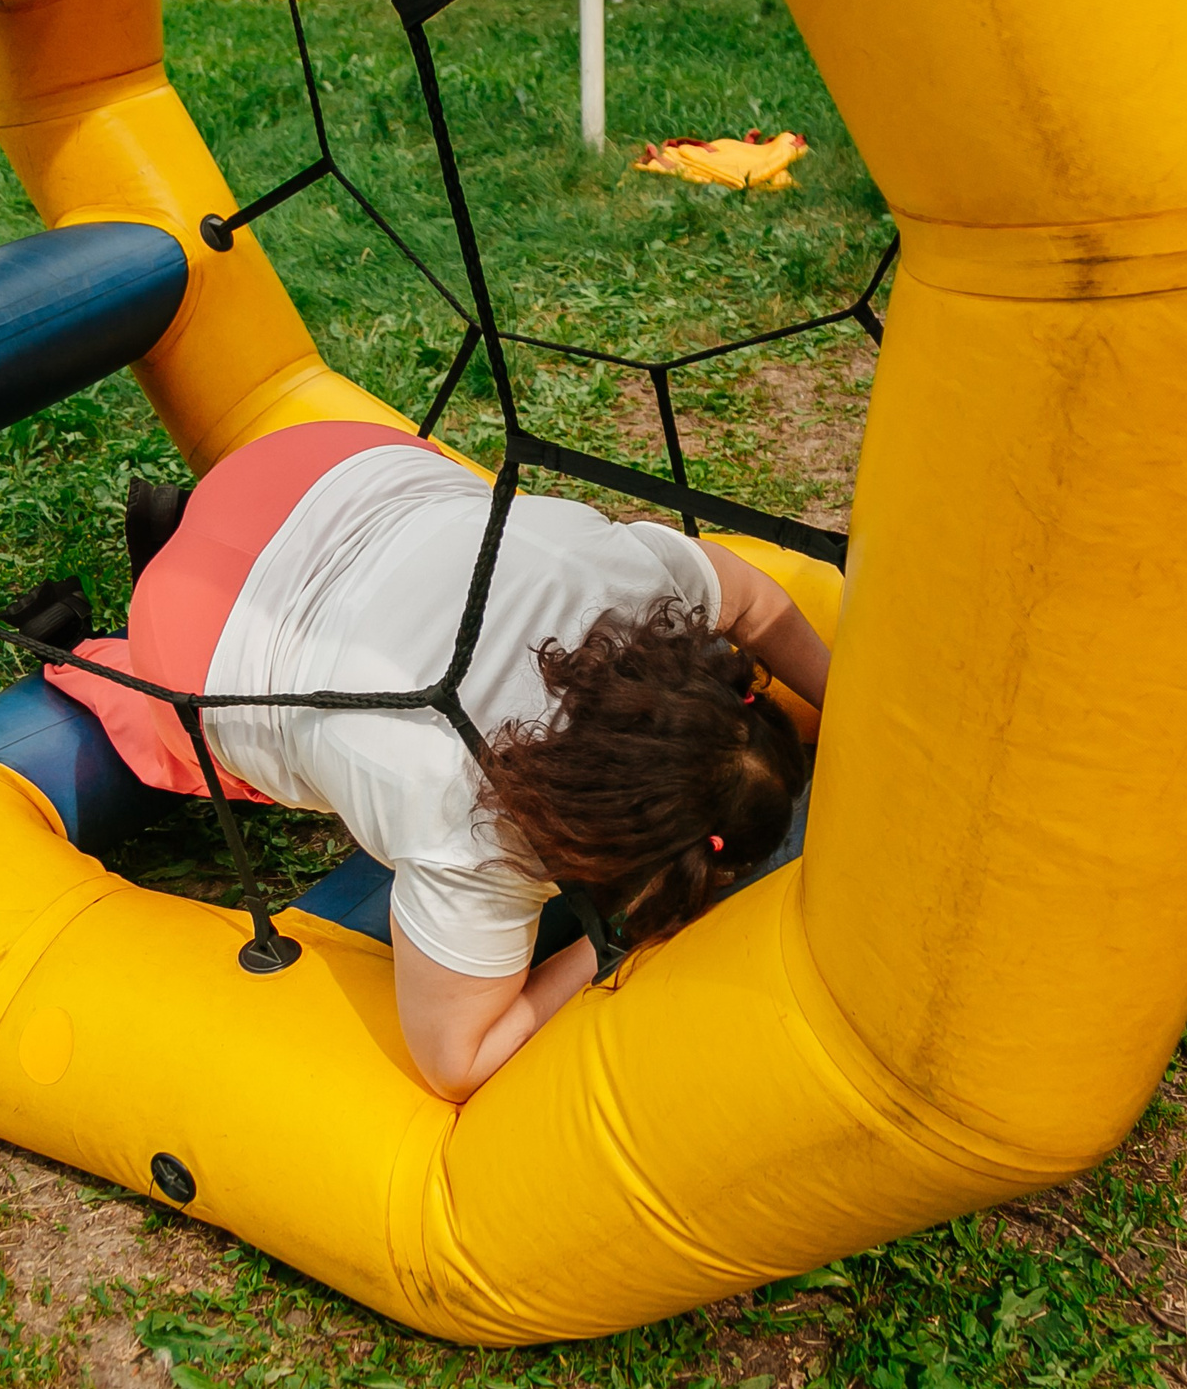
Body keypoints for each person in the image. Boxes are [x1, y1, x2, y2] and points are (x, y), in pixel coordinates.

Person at [45, 421, 831, 1102]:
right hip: (199, 635)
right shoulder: (476, 840)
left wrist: (842, 694)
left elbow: (757, 604)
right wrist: (626, 929)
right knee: (215, 758)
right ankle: (105, 642)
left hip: (321, 468)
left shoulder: (643, 584)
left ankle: (193, 539)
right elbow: (458, 1063)